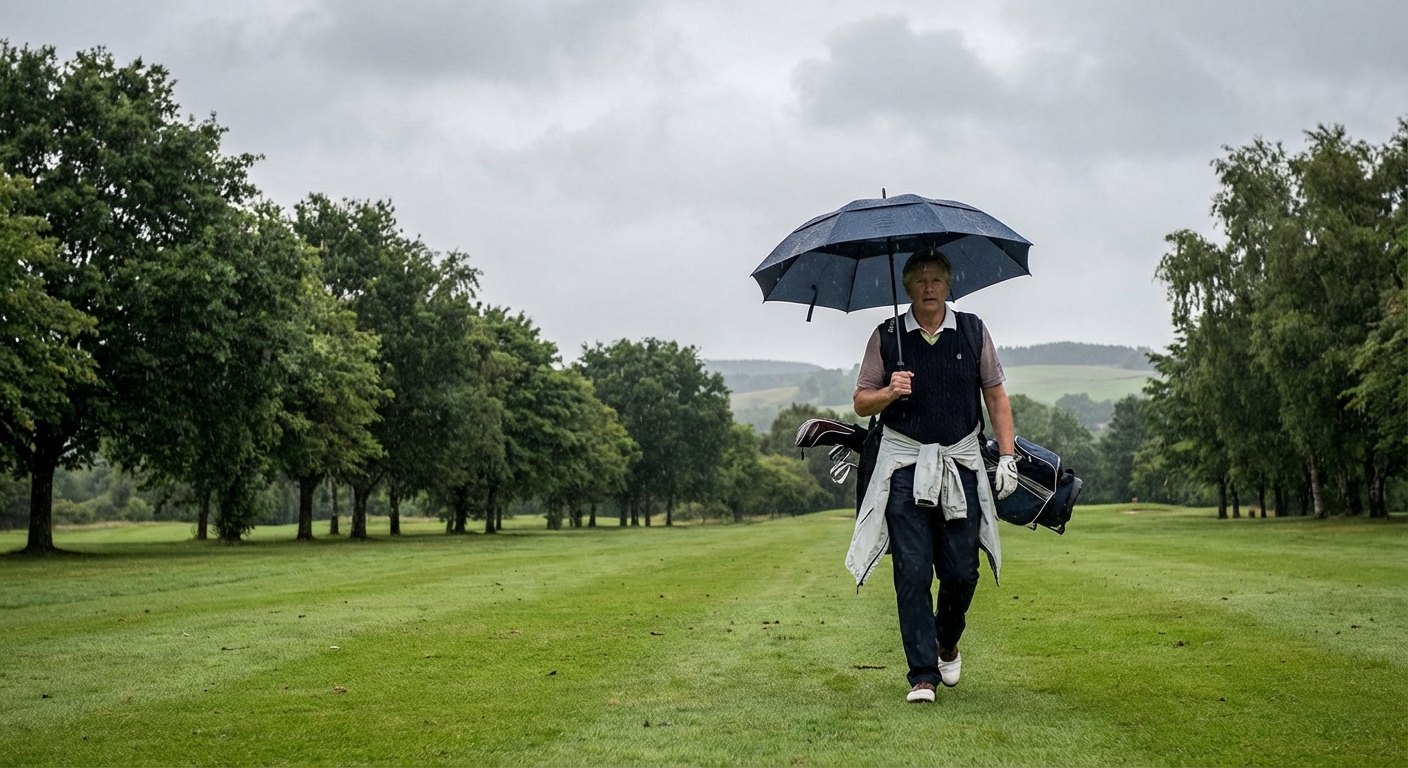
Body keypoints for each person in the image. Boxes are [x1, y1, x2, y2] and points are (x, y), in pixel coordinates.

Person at [848, 247, 1018, 704]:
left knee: (962, 571)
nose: (928, 288)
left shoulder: (973, 331)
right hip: (904, 467)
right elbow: (861, 401)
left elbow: (997, 399)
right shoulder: (885, 336)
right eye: (920, 280)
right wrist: (889, 391)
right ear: (907, 288)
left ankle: (946, 642)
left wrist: (1007, 456)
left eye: (936, 279)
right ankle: (922, 674)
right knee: (912, 571)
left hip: (960, 464)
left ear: (948, 285)